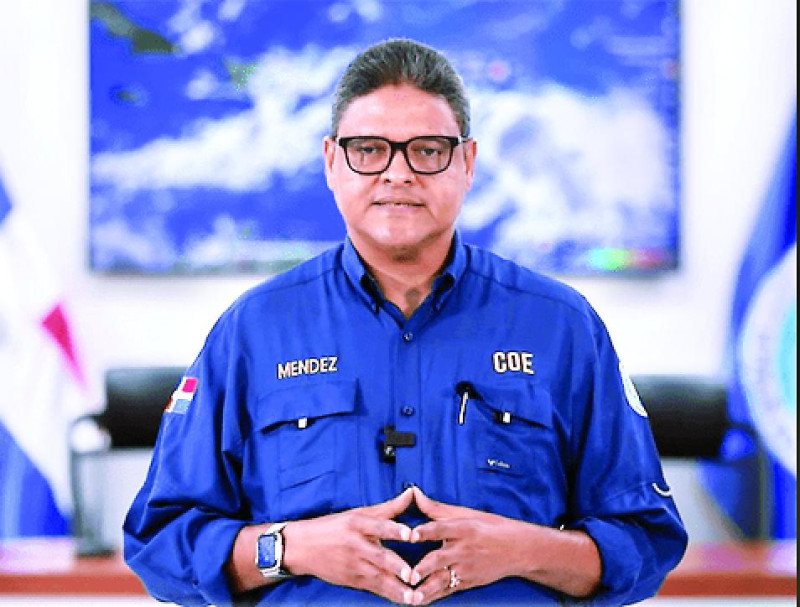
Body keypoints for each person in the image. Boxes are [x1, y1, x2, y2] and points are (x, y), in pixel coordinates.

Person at [123, 38, 687, 606]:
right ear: (331, 161)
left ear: (467, 163)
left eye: (428, 150)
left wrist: (522, 549)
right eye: (369, 149)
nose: (398, 173)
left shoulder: (562, 326)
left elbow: (644, 539)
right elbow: (161, 543)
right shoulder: (253, 330)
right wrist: (293, 547)